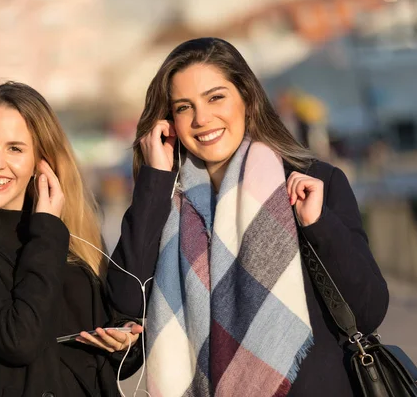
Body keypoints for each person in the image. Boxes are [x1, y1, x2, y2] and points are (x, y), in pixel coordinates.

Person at [108, 38, 389, 397]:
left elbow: (368, 311)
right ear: (169, 122)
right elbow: (127, 299)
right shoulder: (163, 200)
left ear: (246, 97)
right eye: (184, 107)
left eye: (215, 97)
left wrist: (317, 225)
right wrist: (155, 181)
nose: (202, 118)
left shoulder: (311, 182)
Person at [0, 81, 143, 397]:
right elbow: (19, 340)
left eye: (15, 148)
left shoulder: (76, 235)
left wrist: (126, 343)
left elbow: (118, 360)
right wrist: (46, 229)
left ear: (44, 160)